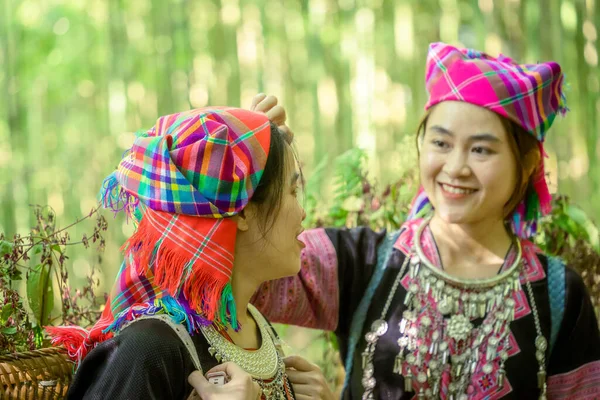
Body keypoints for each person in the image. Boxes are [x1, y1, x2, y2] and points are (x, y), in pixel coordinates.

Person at [251, 43, 600, 399]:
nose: (455, 168)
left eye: (481, 149)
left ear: (526, 165)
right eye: (441, 143)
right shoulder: (357, 263)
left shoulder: (560, 297)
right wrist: (254, 165)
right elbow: (233, 274)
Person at [46, 106, 334, 400]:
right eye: (292, 192)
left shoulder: (256, 327)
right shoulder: (148, 348)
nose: (302, 212)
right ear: (243, 211)